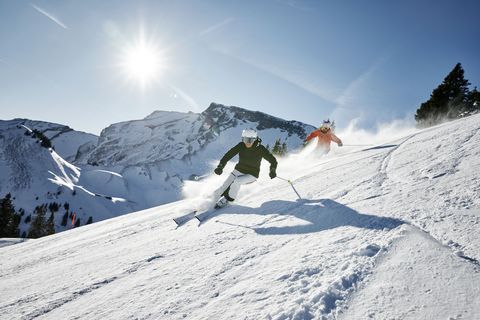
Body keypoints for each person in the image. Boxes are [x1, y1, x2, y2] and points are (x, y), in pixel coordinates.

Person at [213, 128, 278, 208]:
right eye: (245, 139)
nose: (247, 143)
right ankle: (210, 201)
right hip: (238, 170)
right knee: (223, 188)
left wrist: (272, 170)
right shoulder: (241, 145)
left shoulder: (260, 149)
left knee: (237, 181)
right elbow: (228, 155)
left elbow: (273, 160)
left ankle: (228, 199)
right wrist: (220, 166)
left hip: (252, 174)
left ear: (254, 139)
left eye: (249, 140)